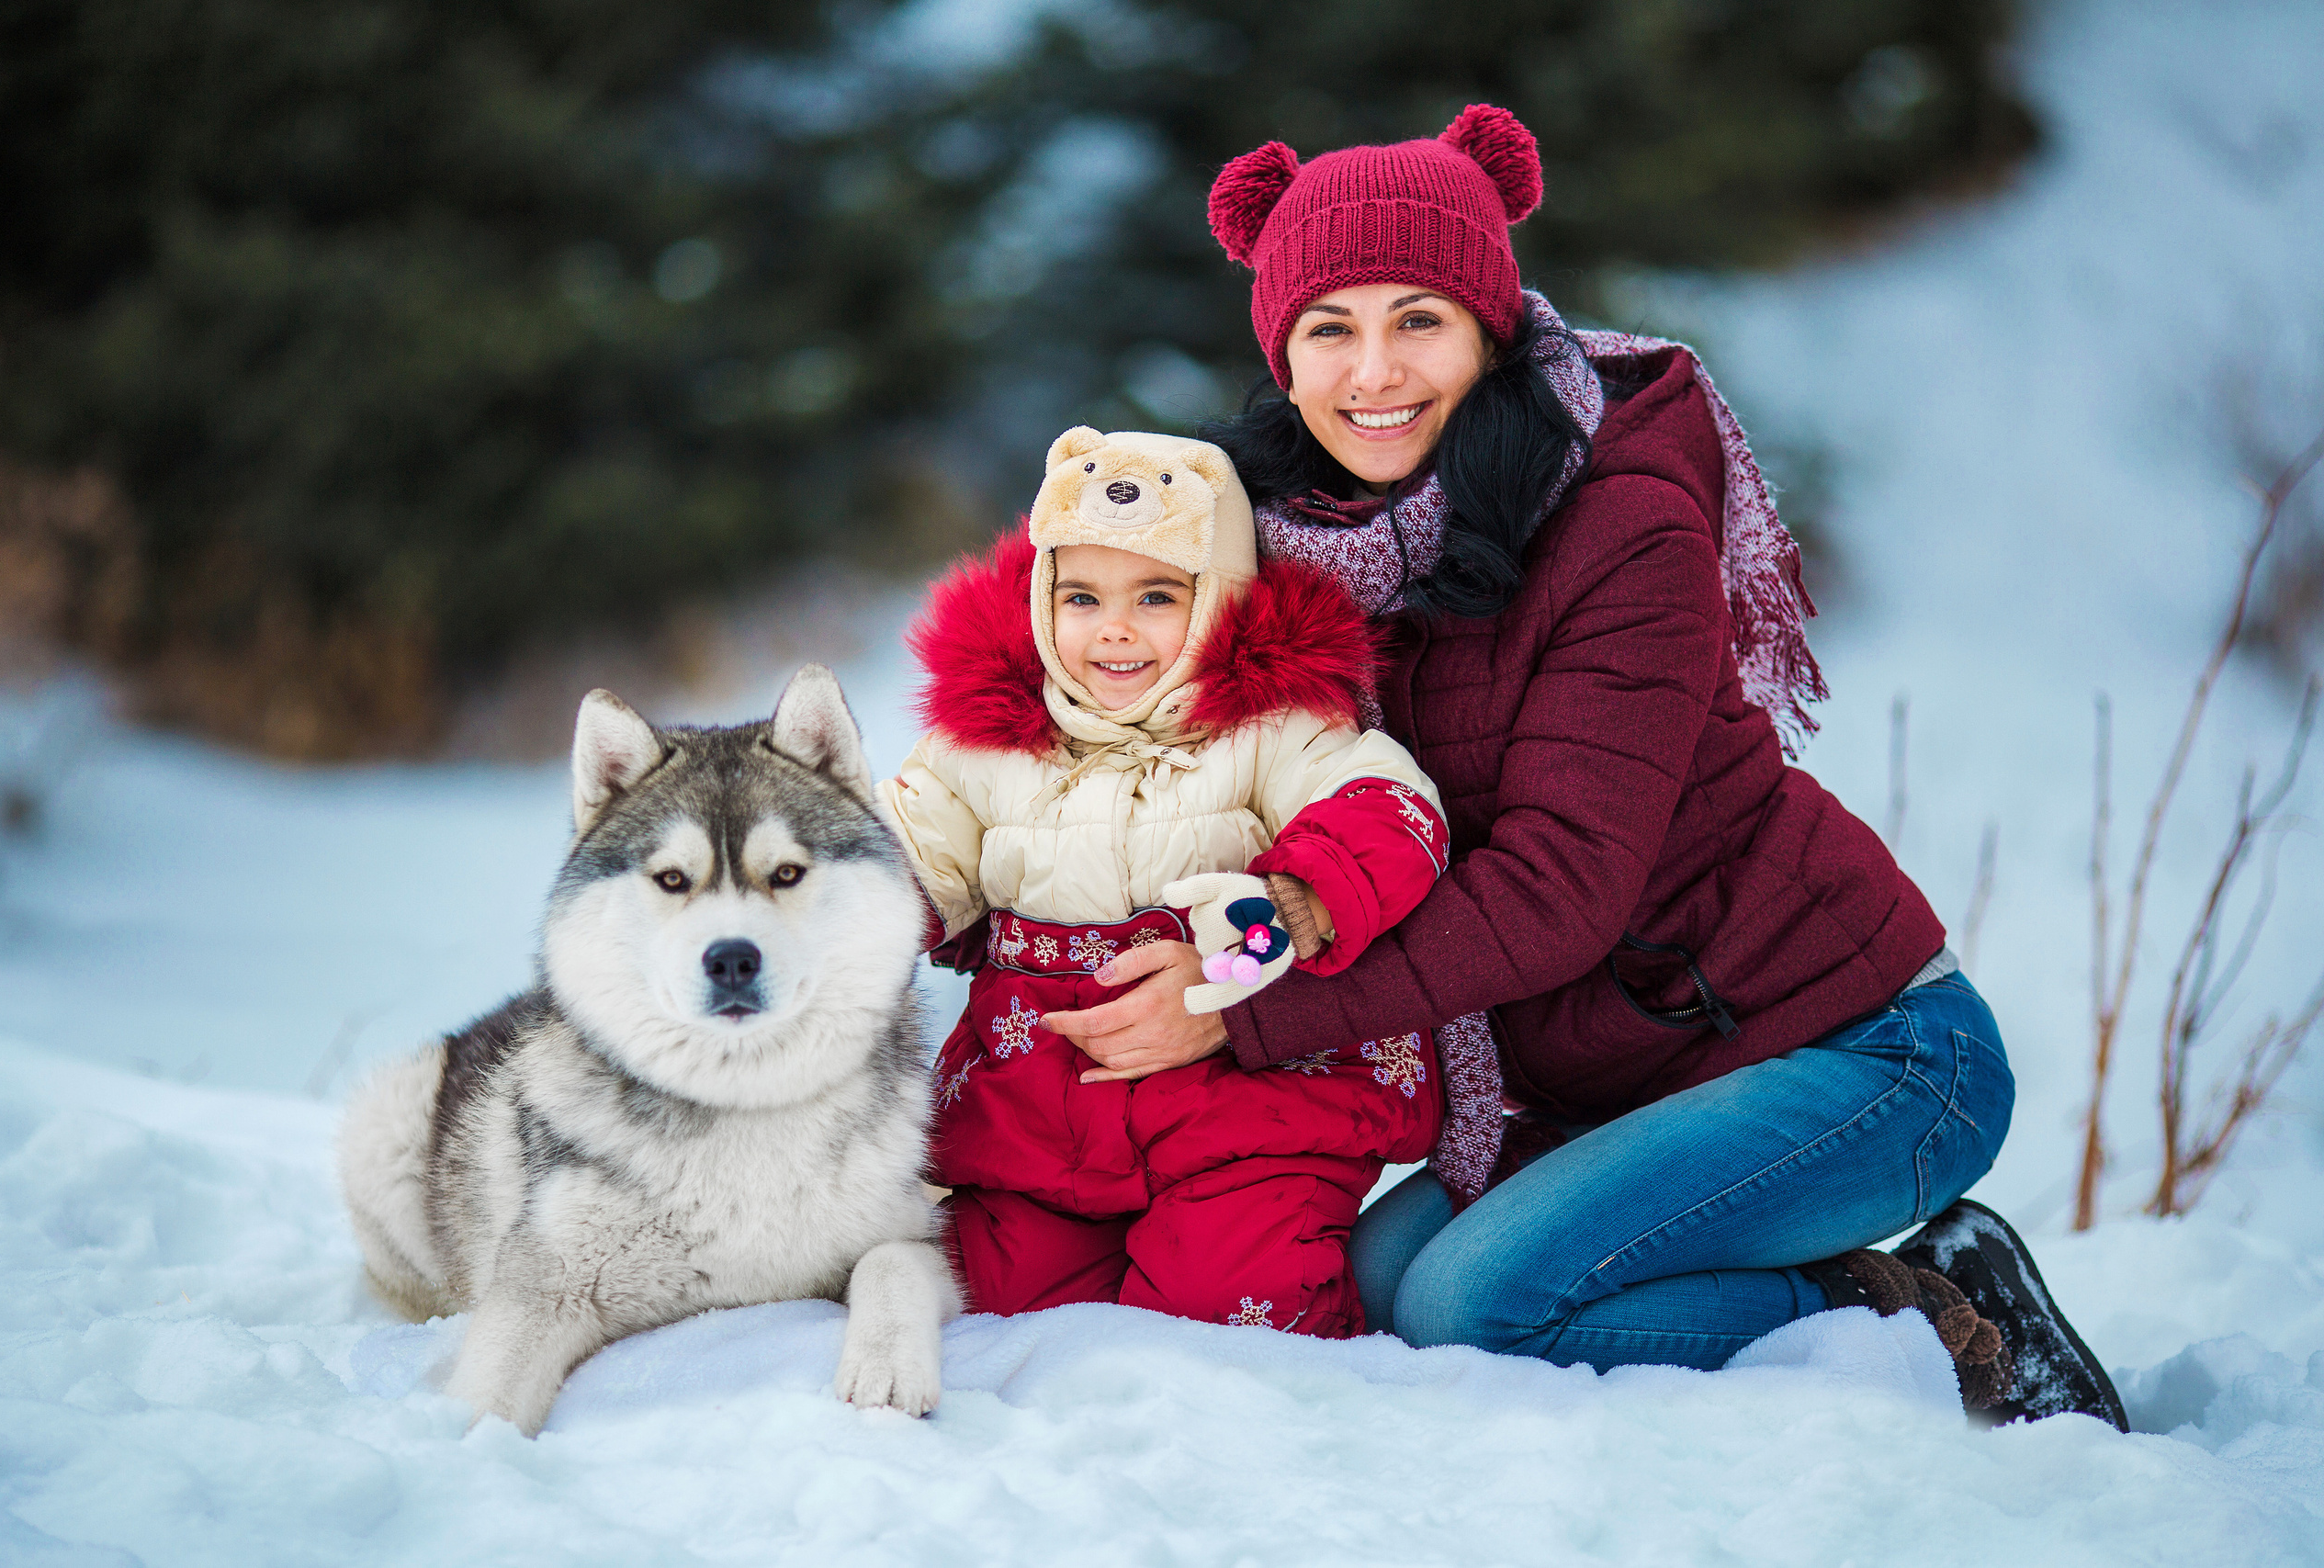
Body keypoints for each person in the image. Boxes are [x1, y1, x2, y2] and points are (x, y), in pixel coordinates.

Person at [1036, 104, 2128, 1428]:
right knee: (1376, 1282)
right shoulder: (1297, 539)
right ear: (1282, 354)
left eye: (1419, 318)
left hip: (1869, 1048)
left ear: (1491, 328)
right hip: (1626, 1068)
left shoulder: (1622, 522)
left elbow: (1559, 887)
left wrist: (1239, 1004)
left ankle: (1931, 1302)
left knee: (1473, 1306)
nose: (1374, 371)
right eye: (1331, 327)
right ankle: (1786, 1252)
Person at [876, 423, 1453, 1337]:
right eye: (1080, 596)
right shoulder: (979, 743)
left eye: (1154, 595)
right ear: (1038, 597)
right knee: (984, 1292)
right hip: (1044, 1114)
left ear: (1219, 600)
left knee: (1228, 1303)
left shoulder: (1276, 722)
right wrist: (847, 923)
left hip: (1246, 1111)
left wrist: (1286, 906)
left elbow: (1387, 809)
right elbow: (903, 852)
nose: (1112, 627)